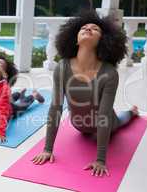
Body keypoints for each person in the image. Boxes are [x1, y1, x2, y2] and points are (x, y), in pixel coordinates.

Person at [32, 11, 139, 177]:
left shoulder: (110, 73)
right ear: (75, 38)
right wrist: (47, 149)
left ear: (103, 40)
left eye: (95, 29)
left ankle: (133, 111)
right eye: (84, 27)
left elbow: (103, 115)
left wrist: (101, 160)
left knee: (121, 120)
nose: (88, 29)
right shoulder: (62, 67)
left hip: (106, 123)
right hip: (78, 124)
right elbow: (55, 108)